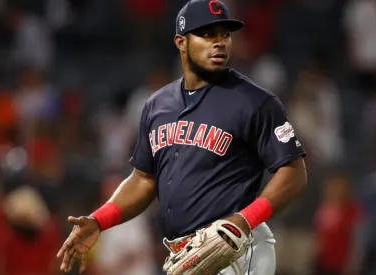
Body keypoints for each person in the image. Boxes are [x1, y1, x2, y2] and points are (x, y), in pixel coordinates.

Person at [56, 0, 307, 274]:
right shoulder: (157, 105)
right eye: (207, 34)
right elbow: (143, 180)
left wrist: (244, 220)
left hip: (237, 249)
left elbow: (293, 172)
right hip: (183, 254)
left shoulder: (255, 102)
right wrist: (98, 220)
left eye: (225, 34)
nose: (220, 42)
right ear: (181, 42)